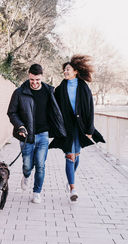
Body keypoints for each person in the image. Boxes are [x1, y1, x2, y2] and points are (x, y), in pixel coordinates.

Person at [7, 64, 66, 204]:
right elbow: (11, 112)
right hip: (26, 135)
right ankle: (26, 175)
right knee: (28, 165)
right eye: (32, 79)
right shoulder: (19, 92)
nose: (34, 82)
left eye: (37, 80)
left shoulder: (49, 91)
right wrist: (20, 126)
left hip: (43, 134)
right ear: (29, 75)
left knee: (40, 164)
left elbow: (58, 109)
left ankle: (37, 192)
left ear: (42, 77)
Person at [49, 55, 105, 202]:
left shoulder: (83, 87)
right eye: (64, 70)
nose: (65, 72)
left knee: (77, 156)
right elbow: (53, 108)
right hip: (66, 128)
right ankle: (73, 188)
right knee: (70, 156)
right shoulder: (60, 89)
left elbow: (90, 109)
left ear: (75, 71)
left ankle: (70, 179)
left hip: (80, 127)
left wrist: (90, 129)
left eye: (68, 69)